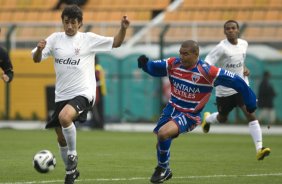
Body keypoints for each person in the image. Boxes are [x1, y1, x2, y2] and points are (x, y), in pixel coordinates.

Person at [32, 5, 129, 184]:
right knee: (60, 136)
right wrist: (39, 49)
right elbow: (36, 59)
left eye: (73, 23)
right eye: (66, 22)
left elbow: (116, 42)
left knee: (65, 117)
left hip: (84, 93)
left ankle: (73, 154)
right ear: (62, 22)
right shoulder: (54, 39)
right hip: (61, 95)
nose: (69, 26)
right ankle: (71, 172)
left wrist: (123, 29)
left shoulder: (88, 39)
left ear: (80, 24)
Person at [137, 40, 257, 183]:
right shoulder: (173, 64)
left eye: (186, 54)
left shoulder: (208, 72)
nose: (181, 57)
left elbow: (237, 81)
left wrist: (250, 102)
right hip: (171, 109)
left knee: (163, 134)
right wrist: (145, 64)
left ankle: (162, 168)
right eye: (180, 53)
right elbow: (155, 68)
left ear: (196, 54)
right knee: (161, 141)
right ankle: (165, 168)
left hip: (189, 115)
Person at [201, 20, 270, 160]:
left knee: (250, 114)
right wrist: (214, 77)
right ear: (224, 31)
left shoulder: (244, 44)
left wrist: (244, 68)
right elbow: (207, 63)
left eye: (233, 28)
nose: (231, 30)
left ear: (238, 30)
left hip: (241, 86)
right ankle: (208, 119)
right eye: (228, 28)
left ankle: (259, 149)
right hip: (224, 90)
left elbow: (240, 60)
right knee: (223, 118)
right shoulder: (221, 48)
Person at [91, 56, 107, 129]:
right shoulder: (99, 67)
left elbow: (96, 81)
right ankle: (99, 124)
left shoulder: (96, 68)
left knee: (97, 109)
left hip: (97, 91)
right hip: (100, 91)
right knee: (99, 109)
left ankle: (98, 124)